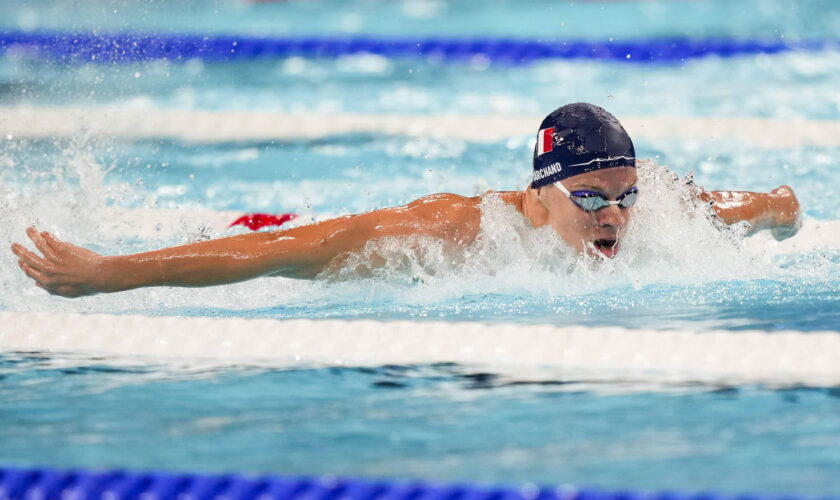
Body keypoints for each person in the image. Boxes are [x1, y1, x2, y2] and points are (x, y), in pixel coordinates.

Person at [11, 103, 801, 298]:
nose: (617, 219)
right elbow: (279, 254)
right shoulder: (454, 233)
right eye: (592, 198)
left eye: (625, 197)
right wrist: (112, 272)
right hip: (263, 225)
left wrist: (782, 206)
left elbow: (750, 206)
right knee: (274, 229)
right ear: (541, 192)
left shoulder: (656, 205)